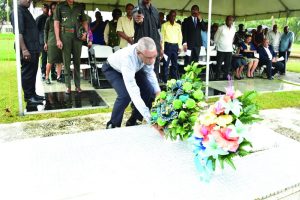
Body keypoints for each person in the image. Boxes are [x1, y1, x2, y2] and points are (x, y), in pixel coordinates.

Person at [102, 37, 160, 128]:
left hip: (135, 69)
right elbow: (134, 93)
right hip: (113, 69)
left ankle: (134, 120)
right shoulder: (128, 59)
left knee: (149, 90)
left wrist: (158, 93)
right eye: (149, 58)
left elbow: (150, 74)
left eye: (154, 56)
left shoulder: (148, 53)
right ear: (139, 54)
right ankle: (113, 124)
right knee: (125, 95)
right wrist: (151, 120)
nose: (152, 60)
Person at [11, 0, 45, 104]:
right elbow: (19, 33)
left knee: (33, 72)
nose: (29, 0)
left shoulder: (25, 10)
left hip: (33, 48)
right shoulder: (17, 11)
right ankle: (29, 96)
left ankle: (33, 94)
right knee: (27, 73)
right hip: (26, 49)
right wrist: (24, 50)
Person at [54, 0, 88, 94]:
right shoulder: (60, 6)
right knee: (66, 61)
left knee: (77, 61)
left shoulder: (79, 6)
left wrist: (85, 32)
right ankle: (68, 86)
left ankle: (78, 86)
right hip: (65, 36)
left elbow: (84, 21)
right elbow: (56, 23)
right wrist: (58, 39)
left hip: (77, 36)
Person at [133, 0, 162, 78]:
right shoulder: (137, 9)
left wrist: (161, 47)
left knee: (154, 74)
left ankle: (153, 89)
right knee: (142, 75)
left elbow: (158, 30)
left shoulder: (155, 11)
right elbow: (138, 18)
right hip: (143, 49)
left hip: (155, 47)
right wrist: (139, 19)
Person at [44, 2, 63, 84]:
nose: (54, 9)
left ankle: (59, 77)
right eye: (53, 8)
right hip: (51, 42)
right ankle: (47, 77)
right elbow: (45, 31)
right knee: (50, 61)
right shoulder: (49, 19)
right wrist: (45, 42)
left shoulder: (62, 19)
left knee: (59, 61)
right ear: (51, 9)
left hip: (61, 41)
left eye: (56, 7)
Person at [161, 10, 182, 83]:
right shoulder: (164, 25)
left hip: (175, 46)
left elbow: (180, 37)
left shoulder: (178, 26)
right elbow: (162, 38)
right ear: (169, 16)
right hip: (167, 46)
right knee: (166, 64)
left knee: (174, 64)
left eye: (174, 16)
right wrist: (162, 48)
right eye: (172, 16)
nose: (173, 17)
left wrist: (180, 46)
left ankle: (174, 80)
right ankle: (165, 80)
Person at [214, 15, 236, 80]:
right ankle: (217, 77)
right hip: (221, 49)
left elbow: (232, 38)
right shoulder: (221, 28)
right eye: (228, 20)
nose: (230, 21)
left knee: (227, 65)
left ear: (233, 21)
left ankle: (225, 77)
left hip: (229, 50)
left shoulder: (234, 29)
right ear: (226, 21)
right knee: (219, 65)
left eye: (231, 20)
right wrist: (219, 45)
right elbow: (215, 38)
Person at [36, 4, 49, 80]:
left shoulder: (50, 18)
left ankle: (51, 72)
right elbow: (36, 30)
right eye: (44, 7)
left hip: (49, 40)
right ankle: (43, 72)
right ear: (42, 9)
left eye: (46, 8)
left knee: (51, 58)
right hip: (42, 40)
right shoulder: (39, 18)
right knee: (44, 57)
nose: (45, 9)